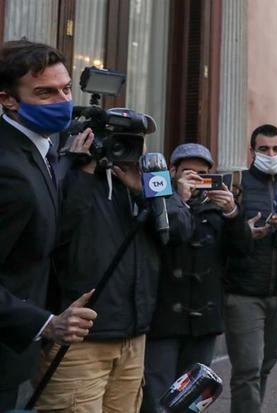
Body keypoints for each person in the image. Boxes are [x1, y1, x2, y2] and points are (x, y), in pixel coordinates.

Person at [34, 128, 192, 412]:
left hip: (134, 340)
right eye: (119, 142)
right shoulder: (70, 175)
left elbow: (181, 230)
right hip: (79, 342)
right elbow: (49, 234)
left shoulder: (150, 181)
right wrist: (82, 168)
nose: (127, 151)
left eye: (135, 143)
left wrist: (147, 193)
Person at [0, 40, 98, 411]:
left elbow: (45, 233)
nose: (61, 100)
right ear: (8, 99)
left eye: (66, 89)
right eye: (44, 92)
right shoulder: (8, 168)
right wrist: (45, 324)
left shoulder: (43, 147)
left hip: (17, 356)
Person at [141, 143, 252, 412]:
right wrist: (178, 198)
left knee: (192, 398)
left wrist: (232, 213)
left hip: (204, 320)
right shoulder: (157, 201)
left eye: (203, 175)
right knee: (157, 396)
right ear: (172, 171)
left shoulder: (218, 209)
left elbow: (242, 252)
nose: (196, 180)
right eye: (188, 172)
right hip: (163, 318)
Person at [224, 124, 277, 413]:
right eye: (264, 149)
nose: (270, 154)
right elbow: (222, 238)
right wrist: (243, 228)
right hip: (243, 292)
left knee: (265, 364)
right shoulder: (236, 185)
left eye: (276, 149)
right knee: (247, 368)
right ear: (252, 152)